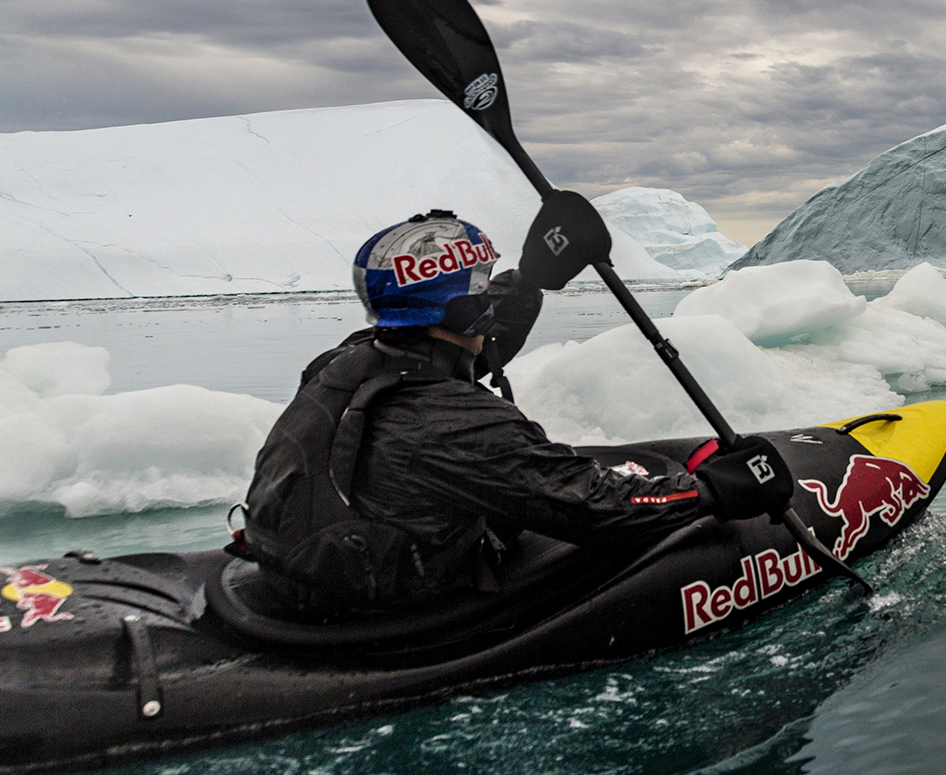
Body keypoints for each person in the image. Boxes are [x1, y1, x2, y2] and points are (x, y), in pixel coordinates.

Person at [234, 208, 791, 617]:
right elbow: (594, 507)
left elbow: (472, 334)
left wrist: (532, 276)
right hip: (384, 596)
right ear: (463, 309)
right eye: (480, 288)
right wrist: (709, 491)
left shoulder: (353, 359)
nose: (487, 300)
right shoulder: (450, 423)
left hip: (311, 564)